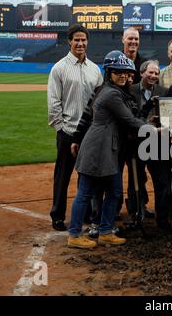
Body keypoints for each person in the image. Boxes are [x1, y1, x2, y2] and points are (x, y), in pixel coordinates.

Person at [67, 50, 156, 249]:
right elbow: (130, 120)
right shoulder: (111, 94)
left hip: (110, 150)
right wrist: (156, 131)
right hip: (97, 149)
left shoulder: (118, 92)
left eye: (125, 72)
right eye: (118, 72)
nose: (123, 75)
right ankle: (74, 234)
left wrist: (148, 107)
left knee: (115, 192)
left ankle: (105, 231)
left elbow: (132, 115)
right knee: (85, 192)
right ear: (109, 73)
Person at [47, 24, 103, 231]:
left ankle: (86, 213)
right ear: (69, 41)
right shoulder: (59, 68)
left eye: (83, 40)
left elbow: (99, 101)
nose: (80, 43)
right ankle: (58, 215)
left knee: (87, 175)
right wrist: (62, 129)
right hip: (68, 132)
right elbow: (53, 103)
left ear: (87, 42)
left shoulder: (95, 69)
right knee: (63, 175)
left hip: (89, 133)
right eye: (76, 40)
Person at [129, 60, 171, 230]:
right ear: (142, 73)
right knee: (136, 181)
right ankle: (136, 216)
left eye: (156, 73)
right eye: (150, 73)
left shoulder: (164, 92)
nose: (153, 76)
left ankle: (162, 220)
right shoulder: (130, 91)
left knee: (162, 182)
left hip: (158, 144)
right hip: (136, 143)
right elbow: (130, 117)